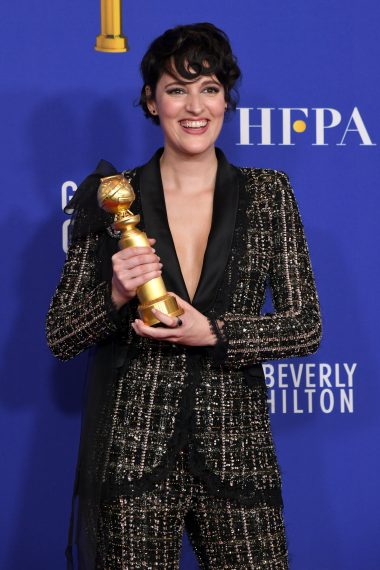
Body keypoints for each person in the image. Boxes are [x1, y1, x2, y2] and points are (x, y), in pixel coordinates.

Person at [46, 22, 322, 570]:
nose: (194, 106)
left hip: (237, 452)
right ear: (151, 102)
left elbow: (305, 324)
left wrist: (214, 331)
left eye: (210, 88)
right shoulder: (111, 197)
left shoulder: (269, 194)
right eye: (176, 89)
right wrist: (117, 292)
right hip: (133, 451)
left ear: (225, 100)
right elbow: (60, 335)